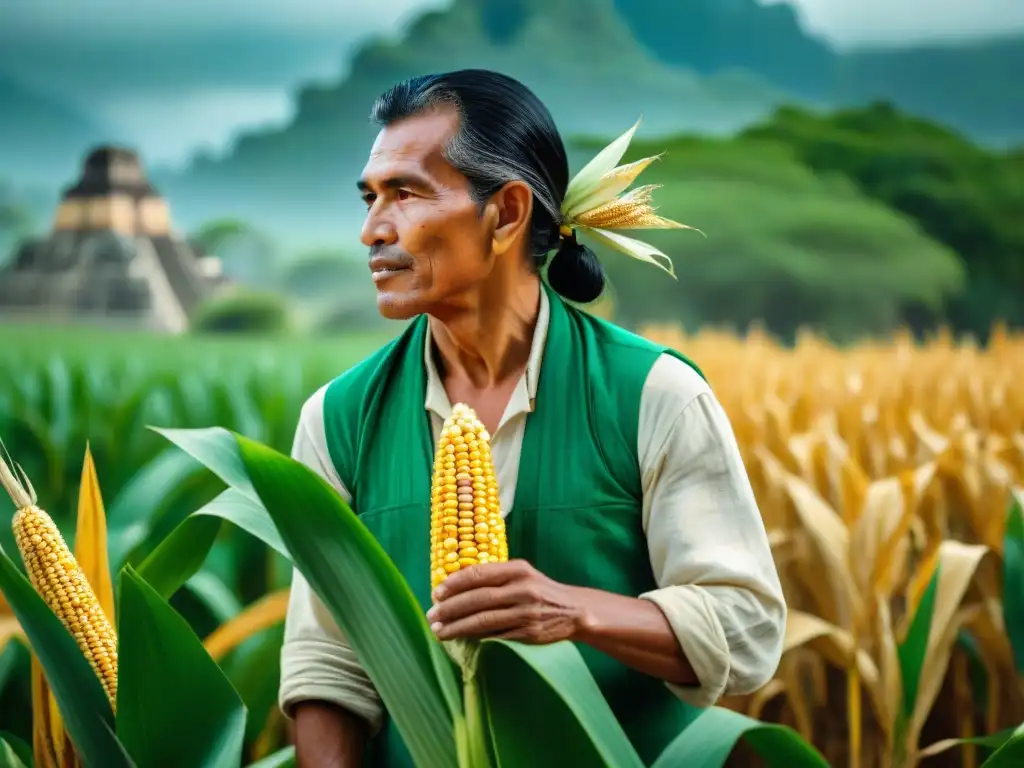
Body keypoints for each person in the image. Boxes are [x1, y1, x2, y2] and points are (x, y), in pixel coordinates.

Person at [278, 68, 786, 767]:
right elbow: (326, 664)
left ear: (507, 213)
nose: (372, 230)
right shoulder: (337, 419)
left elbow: (748, 628)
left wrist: (576, 612)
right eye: (369, 198)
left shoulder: (654, 395)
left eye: (406, 194)